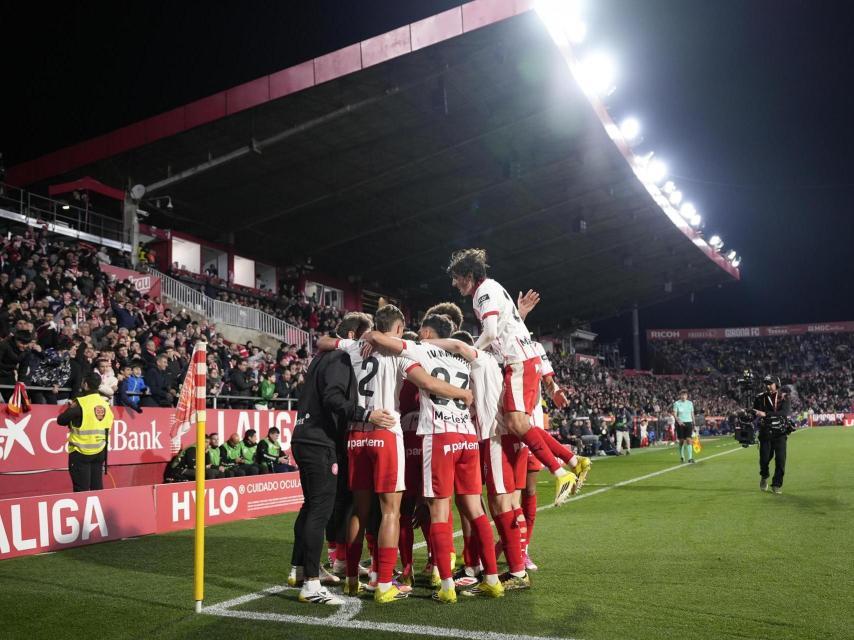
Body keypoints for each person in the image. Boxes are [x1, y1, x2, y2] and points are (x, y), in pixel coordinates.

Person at [318, 304, 473, 604]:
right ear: (400, 329)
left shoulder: (353, 345)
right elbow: (427, 383)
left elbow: (324, 342)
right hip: (386, 432)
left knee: (358, 510)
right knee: (391, 511)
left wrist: (364, 338)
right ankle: (386, 583)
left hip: (356, 434)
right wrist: (462, 394)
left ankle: (351, 579)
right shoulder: (399, 354)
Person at [446, 249, 579, 504]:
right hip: (523, 358)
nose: (454, 283)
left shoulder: (484, 292)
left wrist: (467, 353)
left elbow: (492, 333)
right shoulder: (493, 288)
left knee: (516, 424)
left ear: (470, 275)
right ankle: (570, 462)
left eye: (457, 277)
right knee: (518, 424)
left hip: (518, 361)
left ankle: (562, 470)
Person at [289, 312, 395, 606]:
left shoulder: (322, 357)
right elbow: (333, 397)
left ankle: (300, 569)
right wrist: (366, 413)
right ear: (351, 337)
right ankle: (310, 584)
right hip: (319, 441)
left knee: (310, 507)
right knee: (319, 511)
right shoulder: (340, 358)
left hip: (305, 435)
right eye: (363, 338)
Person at [56, 374, 115, 492]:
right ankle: (98, 510)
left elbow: (61, 420)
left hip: (80, 451)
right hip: (99, 450)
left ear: (86, 385)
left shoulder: (81, 403)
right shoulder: (105, 404)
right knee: (96, 488)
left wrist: (71, 408)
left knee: (81, 490)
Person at [754, 375, 791, 494]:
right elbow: (755, 413)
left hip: (780, 432)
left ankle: (776, 484)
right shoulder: (760, 398)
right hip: (765, 432)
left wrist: (766, 414)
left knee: (780, 460)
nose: (768, 386)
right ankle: (764, 476)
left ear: (777, 384)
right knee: (764, 460)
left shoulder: (784, 397)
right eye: (766, 383)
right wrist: (747, 414)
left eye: (770, 383)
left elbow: (784, 412)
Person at [672, 390, 696, 463]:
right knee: (682, 441)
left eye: (685, 395)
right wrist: (679, 421)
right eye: (682, 395)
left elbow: (692, 414)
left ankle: (690, 458)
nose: (683, 396)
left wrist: (694, 424)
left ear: (687, 396)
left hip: (689, 423)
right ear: (680, 395)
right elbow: (675, 414)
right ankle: (682, 456)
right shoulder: (676, 403)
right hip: (680, 424)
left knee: (689, 440)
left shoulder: (690, 403)